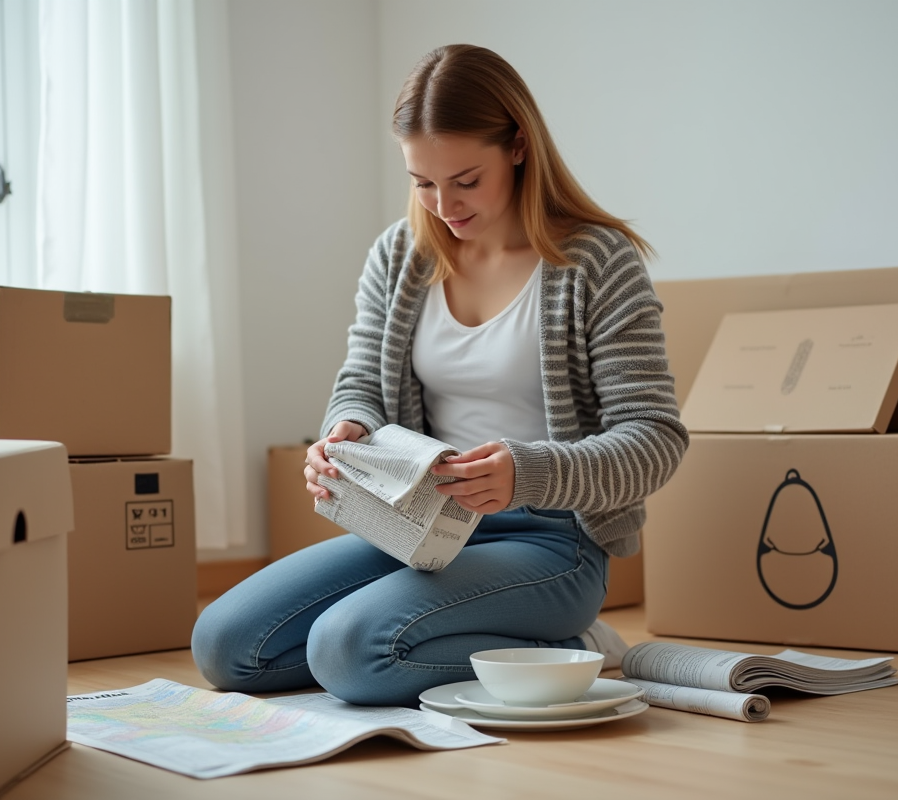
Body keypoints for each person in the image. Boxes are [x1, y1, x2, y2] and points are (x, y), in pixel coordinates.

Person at [191, 44, 688, 707]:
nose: (443, 204)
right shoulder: (400, 254)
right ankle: (476, 649)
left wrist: (527, 472)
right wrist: (348, 430)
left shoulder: (597, 262)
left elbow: (656, 439)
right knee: (225, 645)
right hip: (423, 533)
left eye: (465, 179)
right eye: (422, 181)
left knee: (350, 649)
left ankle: (572, 649)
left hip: (554, 541)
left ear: (517, 146)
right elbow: (361, 382)